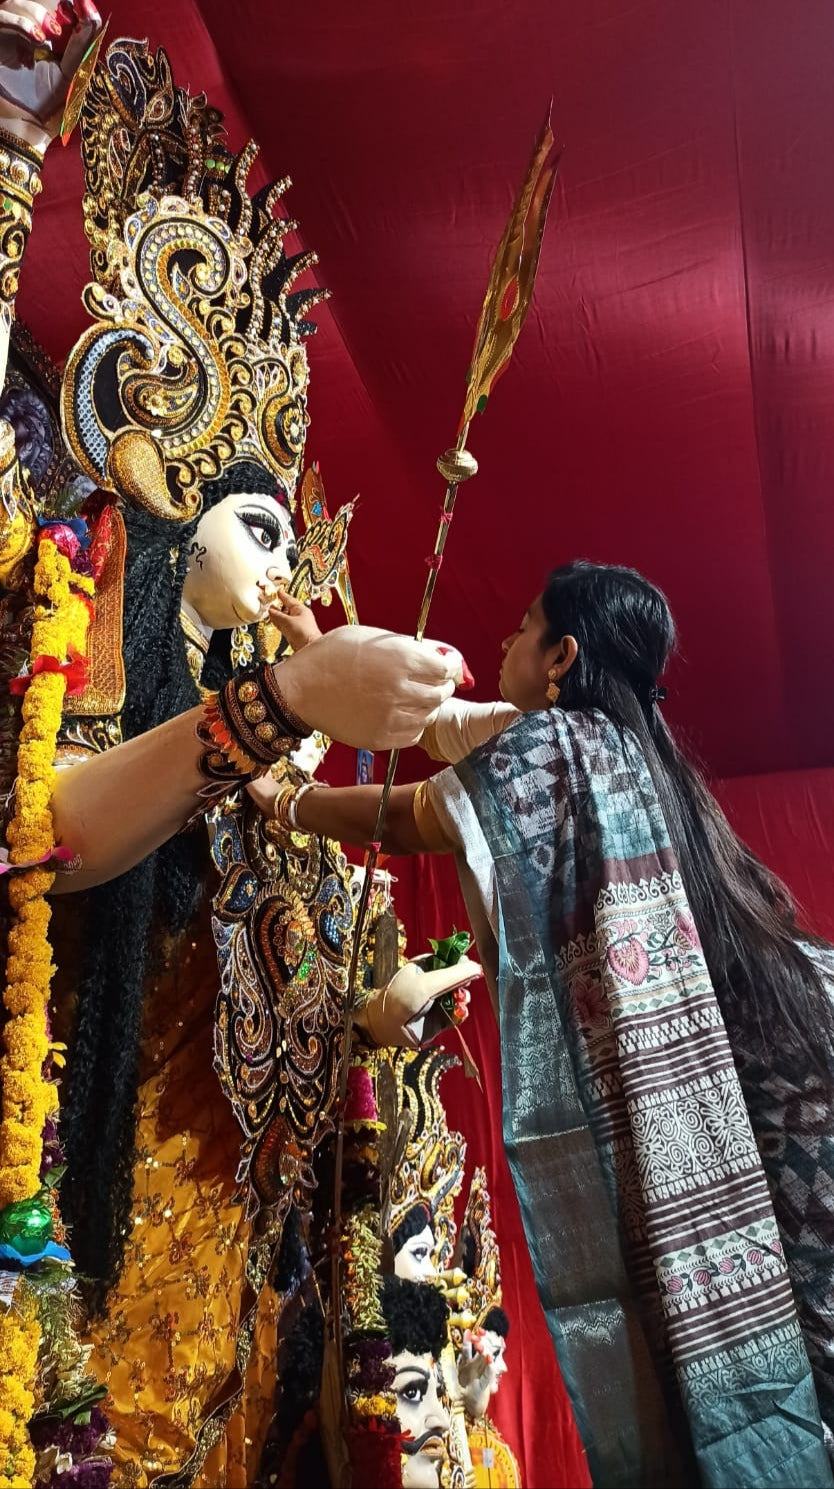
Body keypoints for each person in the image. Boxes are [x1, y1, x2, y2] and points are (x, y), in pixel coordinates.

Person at [255, 559, 834, 1488]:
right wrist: (315, 654)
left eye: (520, 626)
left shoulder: (562, 747)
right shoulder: (635, 750)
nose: (500, 641)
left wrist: (284, 801)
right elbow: (444, 732)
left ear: (561, 654)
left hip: (693, 1094)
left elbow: (415, 815)